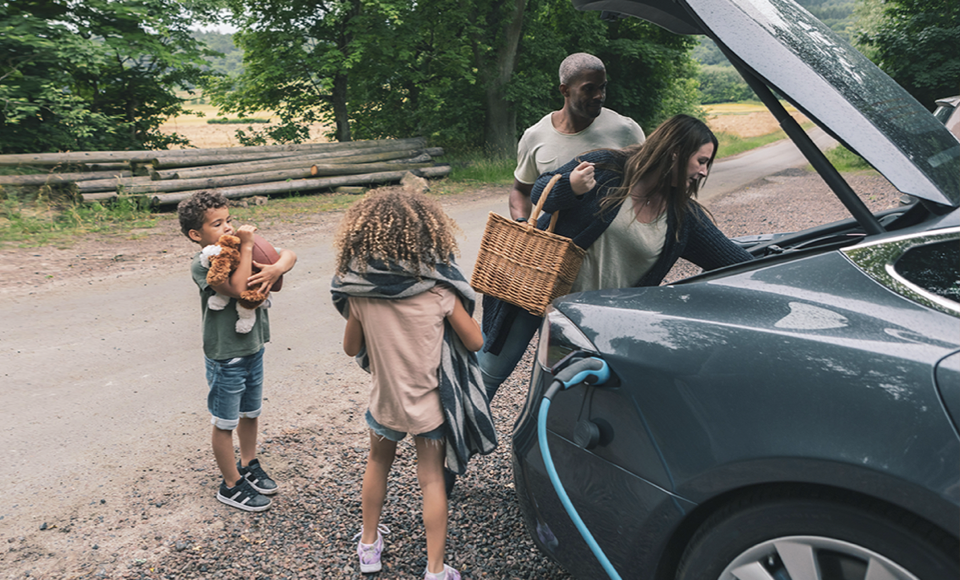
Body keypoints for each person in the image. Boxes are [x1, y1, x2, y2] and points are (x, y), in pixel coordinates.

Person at [481, 114, 754, 401]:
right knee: (486, 377)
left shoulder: (683, 218)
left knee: (558, 399)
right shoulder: (608, 167)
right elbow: (541, 191)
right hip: (534, 289)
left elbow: (736, 262)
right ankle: (454, 430)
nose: (704, 172)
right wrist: (570, 186)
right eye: (702, 161)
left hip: (586, 324)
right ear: (676, 152)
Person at [330, 190, 491, 580]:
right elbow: (475, 342)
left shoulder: (359, 292)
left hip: (385, 401)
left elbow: (351, 348)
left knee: (377, 463)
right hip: (430, 405)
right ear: (429, 238)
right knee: (431, 479)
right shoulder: (439, 291)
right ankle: (435, 569)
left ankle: (369, 546)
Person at [177, 191, 297, 512]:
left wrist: (276, 268)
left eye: (228, 220)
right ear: (196, 234)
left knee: (250, 412)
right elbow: (238, 288)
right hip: (226, 355)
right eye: (217, 224)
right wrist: (245, 247)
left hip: (253, 347)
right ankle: (230, 484)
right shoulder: (203, 264)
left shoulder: (243, 247)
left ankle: (248, 463)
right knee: (225, 421)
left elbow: (289, 254)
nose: (228, 227)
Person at [509, 52, 646, 220]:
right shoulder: (534, 136)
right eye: (589, 89)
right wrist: (521, 223)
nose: (599, 95)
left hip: (614, 237)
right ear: (565, 90)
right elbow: (521, 190)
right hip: (556, 236)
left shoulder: (627, 130)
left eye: (602, 87)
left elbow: (648, 186)